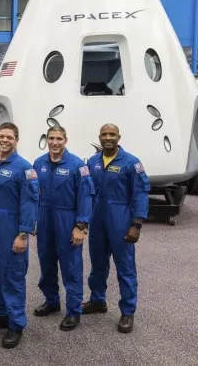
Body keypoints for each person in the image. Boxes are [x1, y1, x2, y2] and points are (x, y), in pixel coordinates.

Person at [0, 122, 39, 349]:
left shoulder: (25, 168)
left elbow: (30, 202)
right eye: (1, 136)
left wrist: (23, 233)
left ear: (16, 140)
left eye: (9, 137)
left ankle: (16, 323)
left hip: (12, 227)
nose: (4, 140)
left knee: (13, 275)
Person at [83, 123, 150, 334]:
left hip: (120, 220)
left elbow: (140, 194)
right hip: (97, 221)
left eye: (112, 134)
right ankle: (97, 300)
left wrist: (136, 224)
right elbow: (86, 192)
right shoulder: (92, 162)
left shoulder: (131, 163)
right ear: (99, 137)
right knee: (98, 264)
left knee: (125, 267)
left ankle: (128, 311)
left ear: (119, 137)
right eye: (104, 134)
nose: (108, 137)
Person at [32, 126, 94, 331]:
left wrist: (80, 226)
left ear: (66, 141)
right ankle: (51, 300)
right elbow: (33, 194)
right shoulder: (38, 163)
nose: (55, 142)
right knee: (46, 262)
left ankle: (74, 310)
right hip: (44, 219)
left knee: (71, 266)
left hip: (67, 219)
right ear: (46, 140)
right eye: (51, 138)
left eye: (59, 138)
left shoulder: (77, 165)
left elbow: (85, 196)